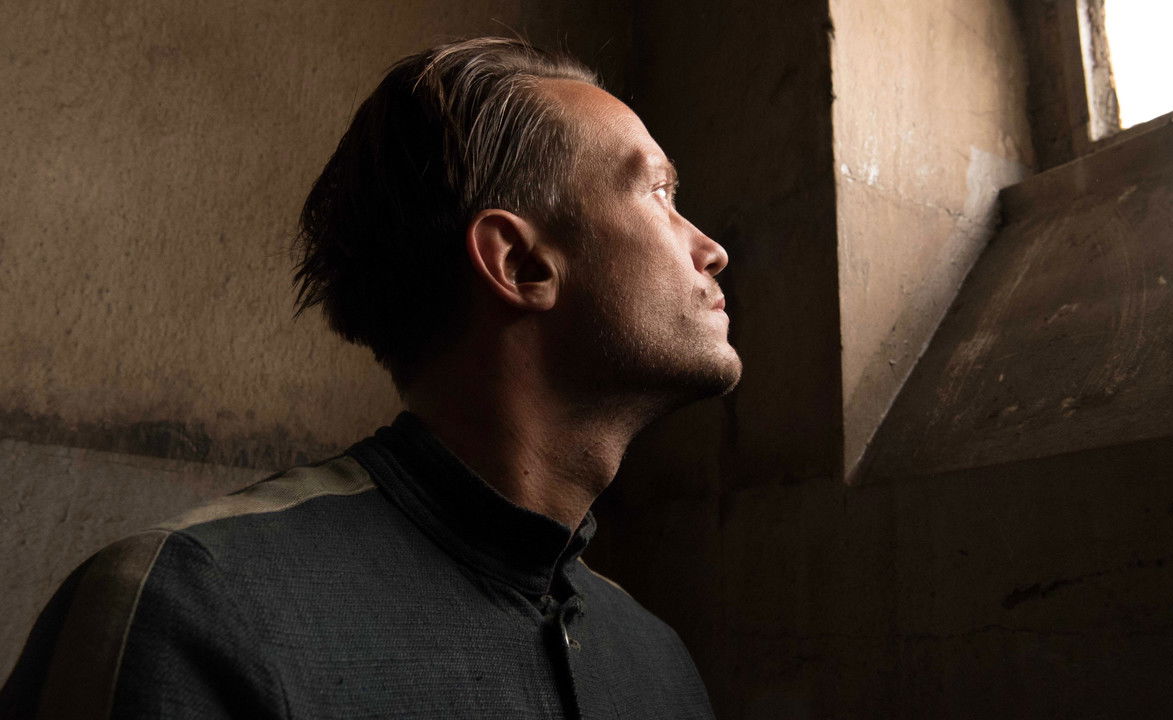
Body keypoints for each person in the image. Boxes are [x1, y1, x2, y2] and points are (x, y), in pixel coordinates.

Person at [0, 36, 740, 719]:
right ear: (519, 264)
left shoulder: (657, 663)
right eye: (658, 194)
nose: (711, 250)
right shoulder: (191, 608)